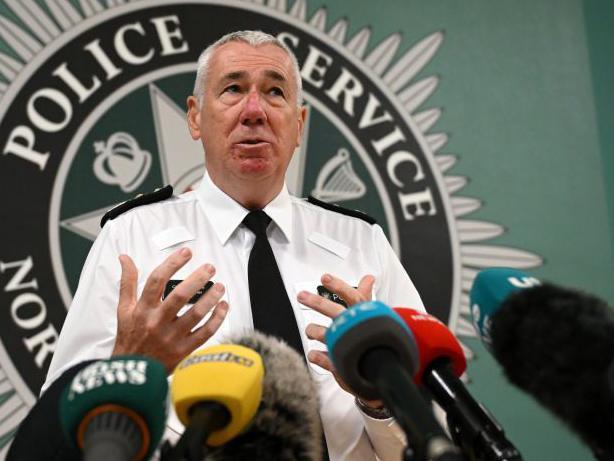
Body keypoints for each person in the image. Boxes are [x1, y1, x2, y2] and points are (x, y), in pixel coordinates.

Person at [43, 30, 425, 461]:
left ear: (298, 125)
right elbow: (57, 428)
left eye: (275, 92)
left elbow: (434, 437)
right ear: (194, 117)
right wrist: (129, 368)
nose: (255, 111)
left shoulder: (362, 245)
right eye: (233, 89)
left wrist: (378, 401)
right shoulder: (129, 240)